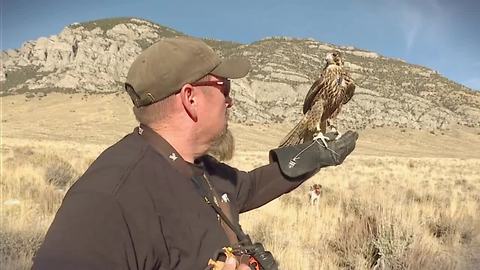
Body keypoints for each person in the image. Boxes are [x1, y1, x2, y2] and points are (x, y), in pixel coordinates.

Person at [32, 37, 358, 270]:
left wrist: (314, 155)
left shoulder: (201, 170)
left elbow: (250, 187)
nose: (230, 101)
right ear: (191, 98)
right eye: (224, 90)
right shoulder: (108, 199)